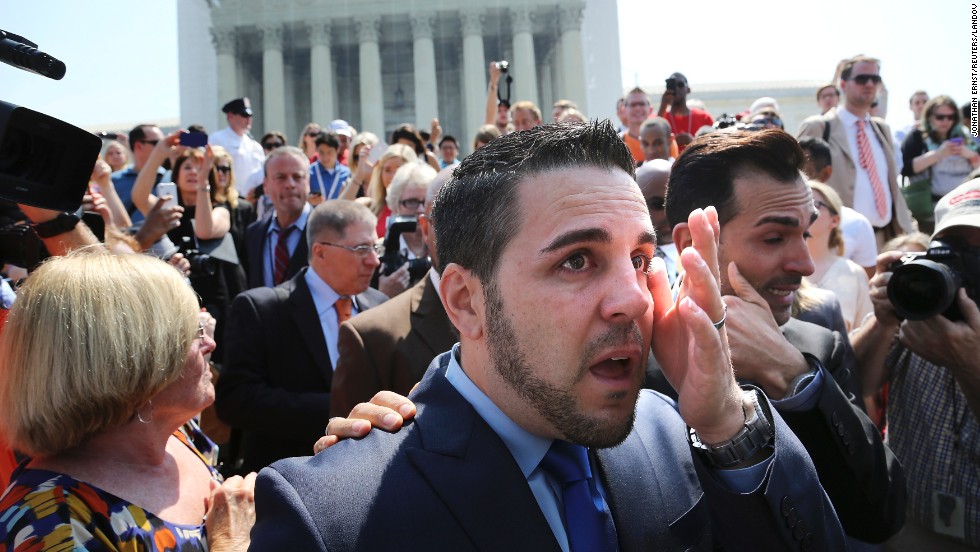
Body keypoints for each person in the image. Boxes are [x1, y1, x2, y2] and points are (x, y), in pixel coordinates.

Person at [249, 121, 850, 551]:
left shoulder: (675, 434)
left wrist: (727, 425)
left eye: (640, 259)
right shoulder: (330, 517)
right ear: (466, 301)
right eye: (577, 261)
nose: (634, 299)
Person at [663, 129, 905, 544]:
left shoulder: (816, 348)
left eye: (805, 234)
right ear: (693, 243)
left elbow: (880, 513)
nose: (806, 265)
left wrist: (794, 376)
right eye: (774, 237)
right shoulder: (629, 360)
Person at [0, 251, 255, 550]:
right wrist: (231, 541)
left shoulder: (175, 434)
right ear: (131, 360)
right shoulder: (54, 522)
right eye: (192, 331)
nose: (210, 342)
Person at [853, 178, 980, 550]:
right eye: (957, 248)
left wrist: (968, 363)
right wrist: (884, 318)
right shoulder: (921, 302)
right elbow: (856, 386)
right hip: (909, 527)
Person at [216, 200, 388, 473]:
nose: (374, 260)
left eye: (376, 247)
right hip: (290, 478)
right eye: (361, 249)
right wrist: (338, 411)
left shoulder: (379, 305)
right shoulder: (263, 310)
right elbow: (236, 401)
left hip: (367, 474)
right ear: (320, 252)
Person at [331, 167, 456, 417]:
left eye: (481, 218)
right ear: (425, 226)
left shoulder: (529, 311)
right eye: (449, 219)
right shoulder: (371, 337)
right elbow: (349, 450)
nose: (465, 233)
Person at [798, 55, 913, 246]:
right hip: (837, 242)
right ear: (843, 85)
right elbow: (798, 183)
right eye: (861, 79)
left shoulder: (881, 129)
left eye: (875, 79)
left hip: (886, 238)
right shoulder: (818, 127)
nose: (869, 84)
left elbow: (892, 184)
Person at [799, 136, 879, 277]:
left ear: (825, 173)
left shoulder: (857, 224)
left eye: (803, 172)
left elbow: (866, 285)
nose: (794, 179)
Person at [901, 95, 980, 232]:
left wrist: (970, 155)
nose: (946, 121)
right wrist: (938, 154)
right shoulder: (917, 137)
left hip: (963, 212)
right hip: (928, 214)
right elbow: (905, 168)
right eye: (940, 117)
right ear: (929, 116)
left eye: (951, 117)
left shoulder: (967, 139)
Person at [804, 181, 874, 331]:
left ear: (834, 220)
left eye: (813, 203)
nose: (803, 209)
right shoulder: (779, 265)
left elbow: (864, 330)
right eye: (800, 202)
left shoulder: (853, 273)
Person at [243, 146, 313, 289]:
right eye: (280, 177)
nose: (290, 184)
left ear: (308, 182)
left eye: (297, 177)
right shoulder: (254, 234)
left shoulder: (328, 232)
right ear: (266, 185)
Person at [111, 123, 166, 223]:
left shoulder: (170, 177)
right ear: (138, 146)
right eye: (157, 143)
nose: (163, 147)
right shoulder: (113, 181)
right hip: (128, 237)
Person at [363, 143, 418, 237]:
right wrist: (359, 175)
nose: (393, 176)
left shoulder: (421, 208)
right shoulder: (369, 206)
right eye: (387, 170)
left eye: (399, 169)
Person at [208, 97, 265, 187]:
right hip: (230, 195)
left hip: (251, 197)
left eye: (250, 116)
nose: (248, 119)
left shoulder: (255, 146)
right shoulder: (217, 139)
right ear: (230, 116)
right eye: (244, 115)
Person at [657, 72, 714, 152]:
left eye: (680, 85)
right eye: (673, 85)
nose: (676, 88)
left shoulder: (704, 117)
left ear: (688, 89)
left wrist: (693, 142)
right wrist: (663, 105)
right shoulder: (661, 118)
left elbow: (714, 148)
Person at [308, 130, 351, 203]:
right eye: (321, 152)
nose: (325, 157)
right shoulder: (309, 173)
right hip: (316, 213)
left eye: (329, 152)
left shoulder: (347, 174)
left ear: (337, 150)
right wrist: (308, 200)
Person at [619, 87, 653, 163]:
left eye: (642, 104)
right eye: (633, 105)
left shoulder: (665, 141)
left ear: (650, 109)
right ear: (624, 111)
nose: (637, 108)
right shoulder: (617, 143)